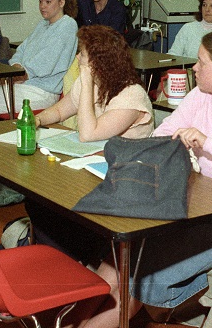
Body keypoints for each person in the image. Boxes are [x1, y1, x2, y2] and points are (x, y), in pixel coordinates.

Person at [80, 30, 212, 327]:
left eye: (201, 62)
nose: (194, 68)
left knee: (139, 275)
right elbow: (164, 132)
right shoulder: (200, 97)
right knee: (119, 255)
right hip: (204, 209)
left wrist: (207, 143)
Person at [27, 25, 154, 263]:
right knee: (38, 200)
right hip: (93, 167)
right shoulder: (92, 83)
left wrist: (86, 81)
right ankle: (66, 258)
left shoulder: (131, 95)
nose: (77, 58)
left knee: (58, 206)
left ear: (99, 61)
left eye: (82, 54)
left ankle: (80, 259)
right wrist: (38, 119)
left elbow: (88, 133)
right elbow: (61, 111)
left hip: (124, 179)